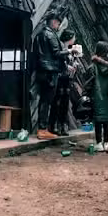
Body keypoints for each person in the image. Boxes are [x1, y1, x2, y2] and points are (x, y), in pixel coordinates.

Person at [33, 11, 71, 140]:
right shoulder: (50, 35)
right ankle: (42, 129)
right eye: (58, 23)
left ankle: (42, 129)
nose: (58, 25)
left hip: (41, 70)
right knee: (46, 101)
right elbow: (56, 53)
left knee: (43, 100)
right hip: (50, 72)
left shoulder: (38, 35)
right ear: (53, 21)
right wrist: (70, 50)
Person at [49, 29, 79, 136]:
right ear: (69, 38)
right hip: (60, 77)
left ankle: (63, 125)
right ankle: (54, 125)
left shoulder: (70, 50)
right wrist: (67, 66)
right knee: (57, 101)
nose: (74, 40)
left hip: (67, 79)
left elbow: (72, 62)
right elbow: (57, 61)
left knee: (65, 102)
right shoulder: (61, 48)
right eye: (73, 37)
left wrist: (75, 64)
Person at [90, 40, 108, 153]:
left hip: (97, 95)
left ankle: (98, 144)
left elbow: (89, 79)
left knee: (98, 121)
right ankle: (106, 143)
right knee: (106, 120)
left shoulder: (93, 65)